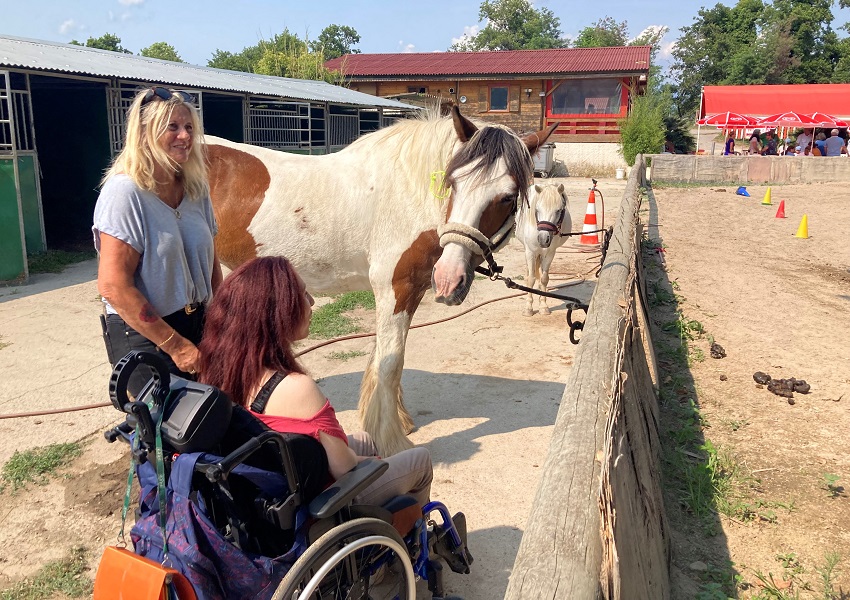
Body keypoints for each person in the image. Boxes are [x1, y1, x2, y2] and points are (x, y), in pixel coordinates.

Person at [199, 256, 433, 508]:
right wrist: (367, 461)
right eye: (303, 294)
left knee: (365, 438)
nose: (312, 302)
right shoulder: (297, 388)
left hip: (276, 486)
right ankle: (411, 530)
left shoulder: (220, 372)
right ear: (277, 312)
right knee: (420, 461)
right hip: (323, 501)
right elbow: (343, 467)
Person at [93, 86, 222, 397]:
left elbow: (212, 261)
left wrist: (222, 320)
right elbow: (114, 286)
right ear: (144, 133)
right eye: (172, 127)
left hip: (198, 320)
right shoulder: (126, 193)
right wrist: (175, 345)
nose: (185, 136)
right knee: (167, 433)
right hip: (146, 331)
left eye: (189, 127)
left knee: (213, 418)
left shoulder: (195, 189)